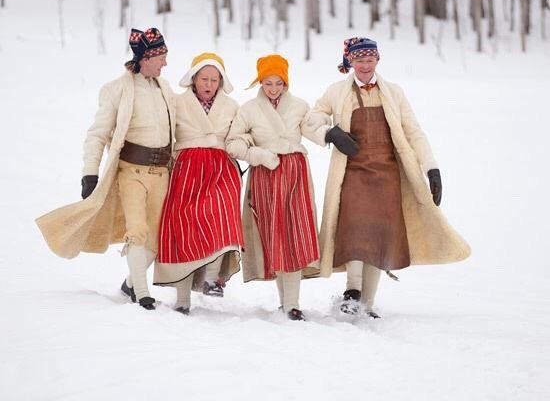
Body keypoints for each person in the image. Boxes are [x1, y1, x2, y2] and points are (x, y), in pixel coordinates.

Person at [312, 37, 470, 317]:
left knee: (379, 236)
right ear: (350, 62)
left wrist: (430, 167)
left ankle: (366, 303)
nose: (364, 65)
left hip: (388, 174)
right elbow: (311, 119)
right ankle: (352, 291)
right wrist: (331, 133)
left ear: (377, 60)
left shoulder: (394, 92)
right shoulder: (336, 92)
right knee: (354, 229)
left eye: (369, 59)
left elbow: (413, 131)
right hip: (352, 172)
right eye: (359, 60)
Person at [36, 28, 175, 311]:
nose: (165, 63)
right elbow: (97, 134)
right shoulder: (117, 90)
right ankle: (143, 293)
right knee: (136, 229)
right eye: (161, 57)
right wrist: (90, 173)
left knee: (157, 236)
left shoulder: (165, 88)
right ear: (147, 57)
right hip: (130, 173)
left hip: (162, 173)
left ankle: (130, 282)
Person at [225, 54, 330, 321]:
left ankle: (292, 304)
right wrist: (257, 155)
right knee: (275, 235)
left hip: (295, 175)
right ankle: (287, 305)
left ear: (286, 82)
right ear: (260, 82)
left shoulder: (299, 106)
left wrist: (332, 135)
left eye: (279, 83)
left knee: (295, 234)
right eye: (268, 83)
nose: (273, 89)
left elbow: (313, 130)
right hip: (266, 175)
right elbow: (233, 144)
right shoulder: (248, 110)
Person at [153, 53, 244, 315]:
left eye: (214, 80)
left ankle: (213, 277)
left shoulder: (231, 106)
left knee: (222, 214)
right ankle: (182, 299)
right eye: (204, 78)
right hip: (187, 168)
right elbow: (166, 134)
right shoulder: (177, 102)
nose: (209, 84)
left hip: (220, 168)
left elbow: (238, 135)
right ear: (193, 79)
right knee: (185, 226)